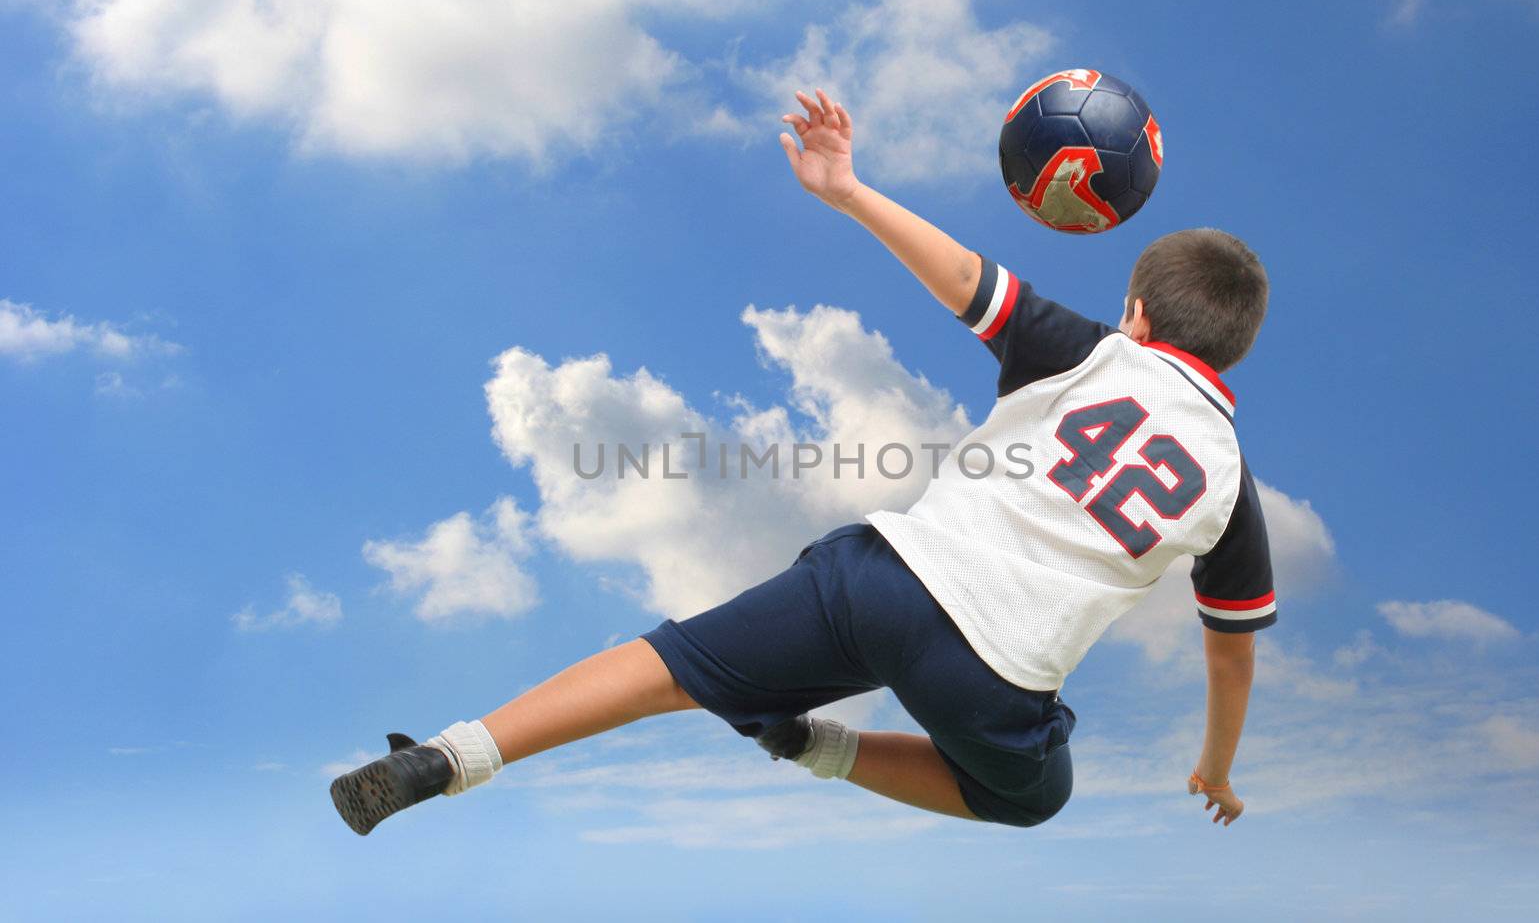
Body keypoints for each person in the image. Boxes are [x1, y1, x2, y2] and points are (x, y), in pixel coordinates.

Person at [330, 87, 1274, 836]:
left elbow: (962, 275)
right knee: (1031, 795)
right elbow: (1230, 657)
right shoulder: (1229, 484)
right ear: (1228, 354)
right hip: (993, 670)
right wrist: (1216, 769)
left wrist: (847, 189)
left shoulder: (1090, 351)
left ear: (1138, 316)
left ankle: (452, 755)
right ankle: (818, 747)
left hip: (882, 575)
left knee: (666, 666)